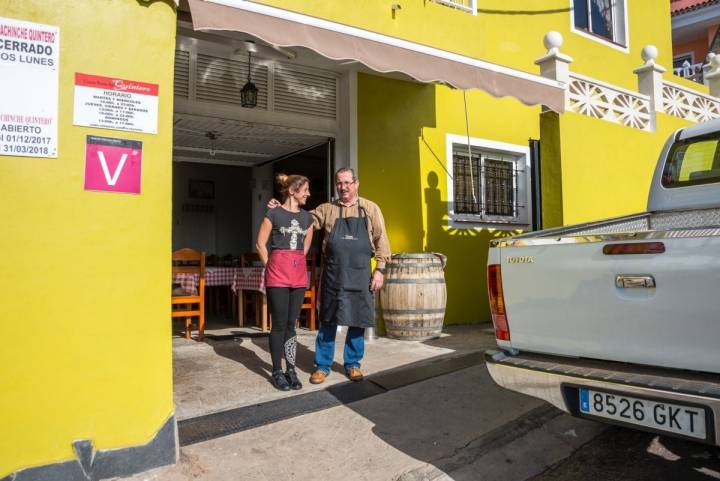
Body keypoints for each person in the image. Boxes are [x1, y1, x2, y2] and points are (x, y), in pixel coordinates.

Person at [268, 167, 391, 384]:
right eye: (339, 183)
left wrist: (380, 269)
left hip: (361, 274)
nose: (343, 187)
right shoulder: (326, 209)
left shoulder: (370, 209)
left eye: (347, 183)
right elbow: (301, 220)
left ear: (356, 183)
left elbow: (382, 241)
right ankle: (322, 366)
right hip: (333, 275)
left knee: (357, 321)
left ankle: (353, 364)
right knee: (327, 320)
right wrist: (283, 209)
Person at [256, 174, 314, 391]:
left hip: (298, 275)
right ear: (292, 190)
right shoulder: (273, 213)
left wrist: (294, 262)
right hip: (277, 275)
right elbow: (260, 243)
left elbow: (305, 247)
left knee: (292, 325)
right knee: (279, 324)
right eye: (305, 189)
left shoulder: (308, 219)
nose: (308, 193)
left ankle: (291, 369)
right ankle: (276, 370)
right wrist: (271, 265)